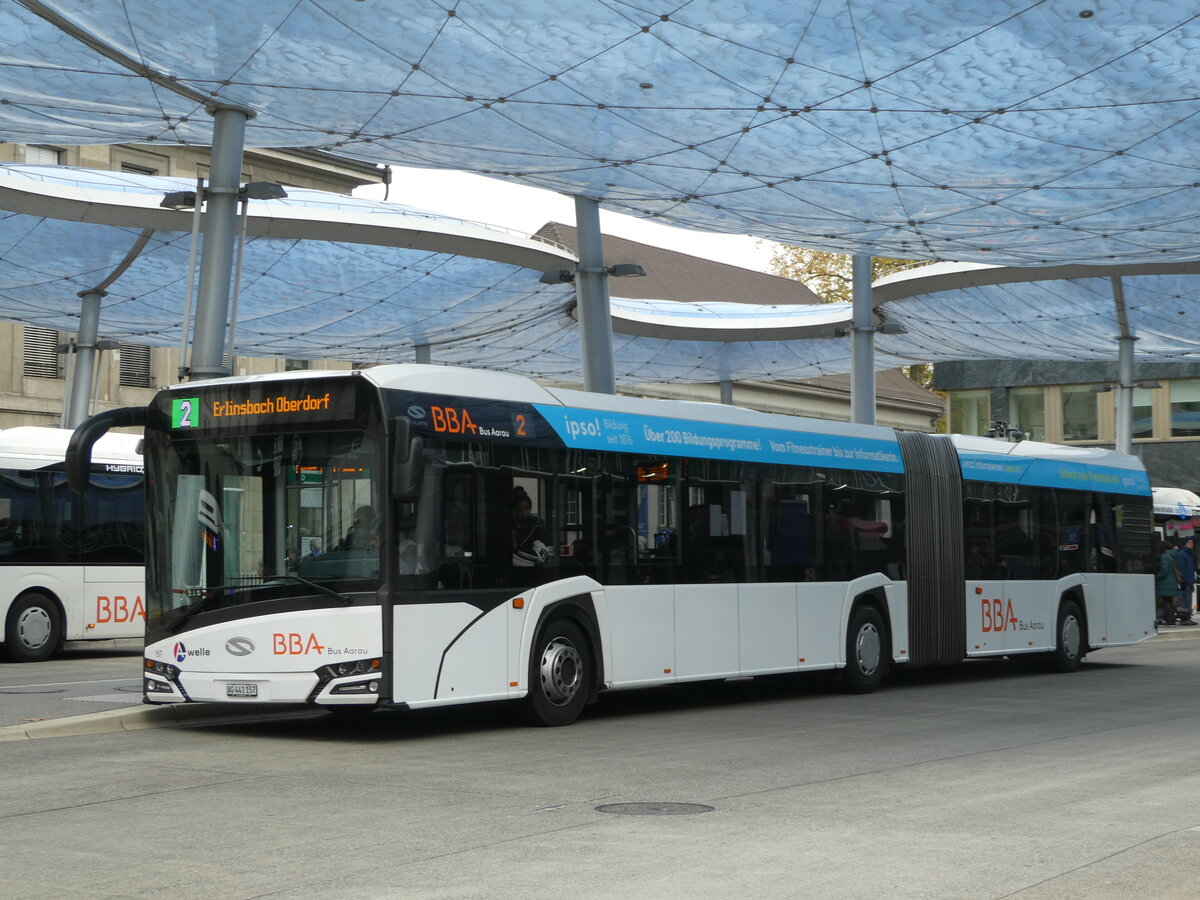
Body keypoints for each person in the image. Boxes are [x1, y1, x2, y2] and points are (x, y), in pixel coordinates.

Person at [511, 488, 548, 567]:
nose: (523, 512)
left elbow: (541, 556)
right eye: (519, 509)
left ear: (530, 509)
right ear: (514, 510)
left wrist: (517, 549)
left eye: (526, 509)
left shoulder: (536, 529)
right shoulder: (509, 525)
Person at [1155, 538, 1185, 626]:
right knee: (1170, 602)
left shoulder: (1164, 556)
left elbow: (1164, 569)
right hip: (1173, 582)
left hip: (1165, 582)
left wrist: (1158, 576)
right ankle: (1172, 620)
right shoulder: (1174, 556)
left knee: (1166, 601)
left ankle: (1169, 621)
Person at [1177, 537, 1197, 625]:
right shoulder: (1183, 554)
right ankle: (1184, 619)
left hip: (1190, 581)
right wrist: (1183, 580)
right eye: (1189, 542)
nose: (1190, 544)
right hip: (1186, 581)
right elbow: (1181, 568)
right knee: (1184, 600)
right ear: (1185, 543)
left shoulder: (1191, 554)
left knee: (1188, 600)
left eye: (1192, 542)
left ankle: (1187, 617)